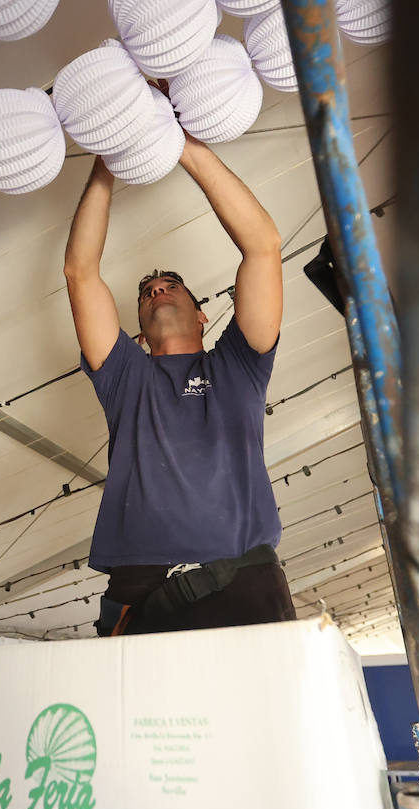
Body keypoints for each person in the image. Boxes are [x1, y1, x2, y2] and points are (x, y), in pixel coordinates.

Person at [63, 131, 294, 636]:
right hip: (140, 591)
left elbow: (264, 247)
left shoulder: (239, 363)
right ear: (139, 334)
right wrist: (108, 157)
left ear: (204, 315)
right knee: (145, 717)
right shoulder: (126, 375)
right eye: (147, 293)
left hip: (242, 577)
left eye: (171, 287)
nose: (157, 291)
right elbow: (81, 273)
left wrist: (180, 142)